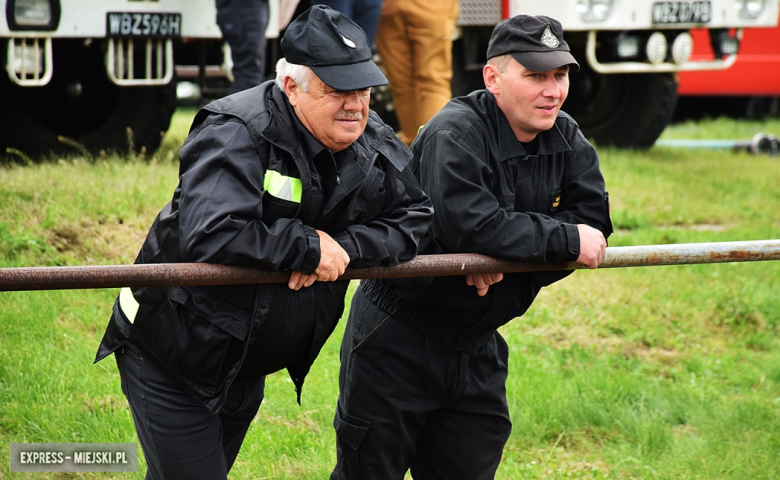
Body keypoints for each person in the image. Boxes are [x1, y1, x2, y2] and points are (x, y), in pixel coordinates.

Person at [94, 5, 433, 479]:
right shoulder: (237, 130)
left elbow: (417, 215)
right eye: (338, 90)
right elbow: (211, 230)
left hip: (244, 359)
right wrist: (307, 247)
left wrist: (345, 247)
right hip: (172, 354)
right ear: (291, 86)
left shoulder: (368, 137)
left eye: (364, 88)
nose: (356, 104)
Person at [331, 14, 613, 480]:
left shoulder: (567, 136)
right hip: (398, 339)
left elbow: (594, 229)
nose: (553, 90)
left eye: (560, 75)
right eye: (536, 75)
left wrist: (510, 258)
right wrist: (548, 240)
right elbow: (474, 227)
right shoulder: (455, 132)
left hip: (479, 346)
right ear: (493, 78)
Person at [375, 0, 459, 145]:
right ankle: (436, 149)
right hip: (431, 5)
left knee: (401, 86)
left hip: (389, 5)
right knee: (433, 83)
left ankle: (412, 151)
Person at [216, 0, 270, 94]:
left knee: (251, 73)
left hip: (247, 7)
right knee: (249, 74)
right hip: (244, 7)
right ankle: (240, 107)